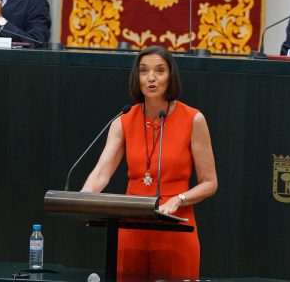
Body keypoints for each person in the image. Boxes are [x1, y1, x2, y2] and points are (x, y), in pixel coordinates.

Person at [82, 46, 218, 278]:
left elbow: (209, 183)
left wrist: (179, 199)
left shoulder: (193, 119)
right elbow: (101, 173)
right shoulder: (123, 120)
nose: (151, 77)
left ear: (171, 76)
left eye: (160, 70)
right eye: (144, 71)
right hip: (130, 226)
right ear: (137, 78)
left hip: (175, 224)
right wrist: (83, 196)